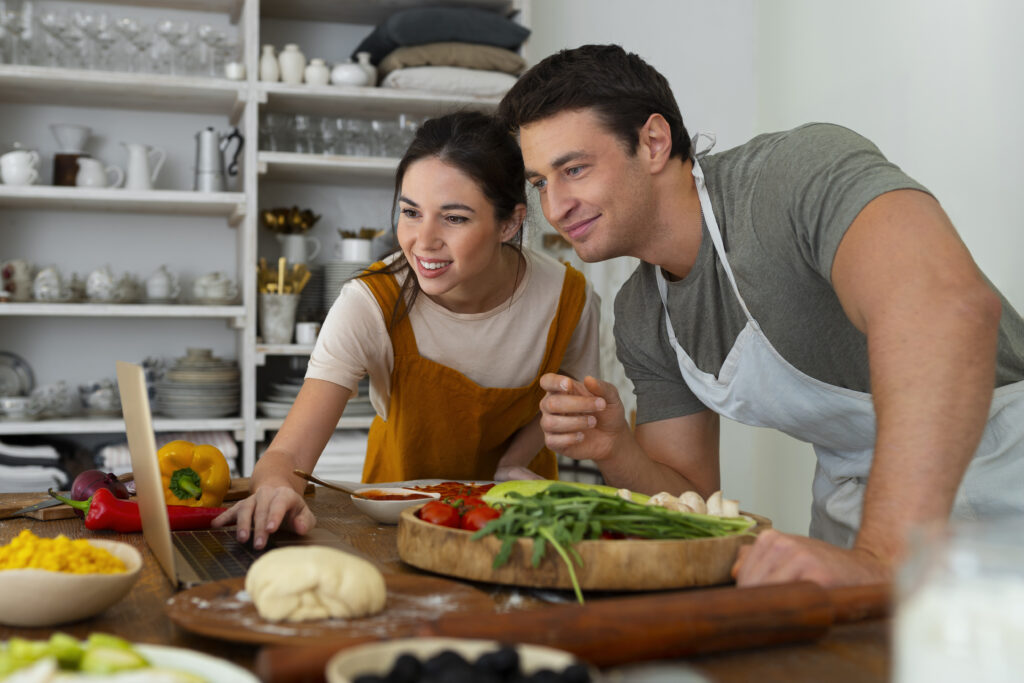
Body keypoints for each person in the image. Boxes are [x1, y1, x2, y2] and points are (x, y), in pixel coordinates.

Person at [496, 44, 1024, 587]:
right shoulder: (642, 312)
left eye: (574, 169)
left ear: (654, 142)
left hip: (1004, 479)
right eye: (540, 183)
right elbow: (692, 501)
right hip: (858, 516)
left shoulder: (792, 175)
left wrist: (882, 556)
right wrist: (614, 447)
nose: (555, 207)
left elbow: (949, 312)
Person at [216, 111, 601, 548]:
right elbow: (287, 454)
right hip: (394, 531)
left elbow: (564, 403)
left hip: (520, 533)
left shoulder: (569, 298)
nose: (424, 240)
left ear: (510, 223)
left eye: (454, 218)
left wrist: (513, 462)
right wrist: (275, 490)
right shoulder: (369, 303)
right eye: (411, 212)